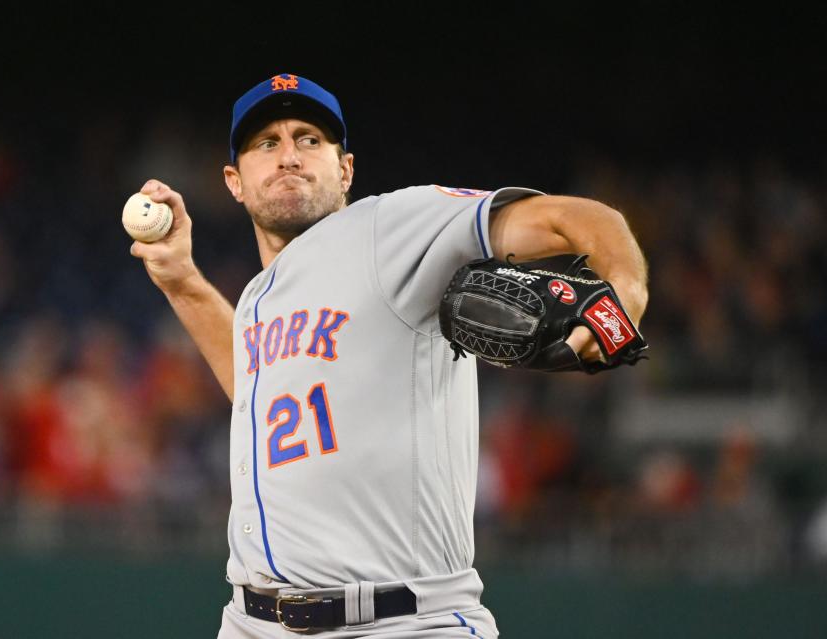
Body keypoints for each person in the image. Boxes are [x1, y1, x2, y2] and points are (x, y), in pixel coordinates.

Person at [129, 73, 648, 637]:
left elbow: (576, 220)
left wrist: (628, 287)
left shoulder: (390, 228)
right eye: (266, 144)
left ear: (345, 169)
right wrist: (181, 281)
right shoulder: (258, 295)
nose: (289, 156)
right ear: (235, 181)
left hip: (401, 621)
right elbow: (259, 392)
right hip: (252, 621)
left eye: (309, 139)